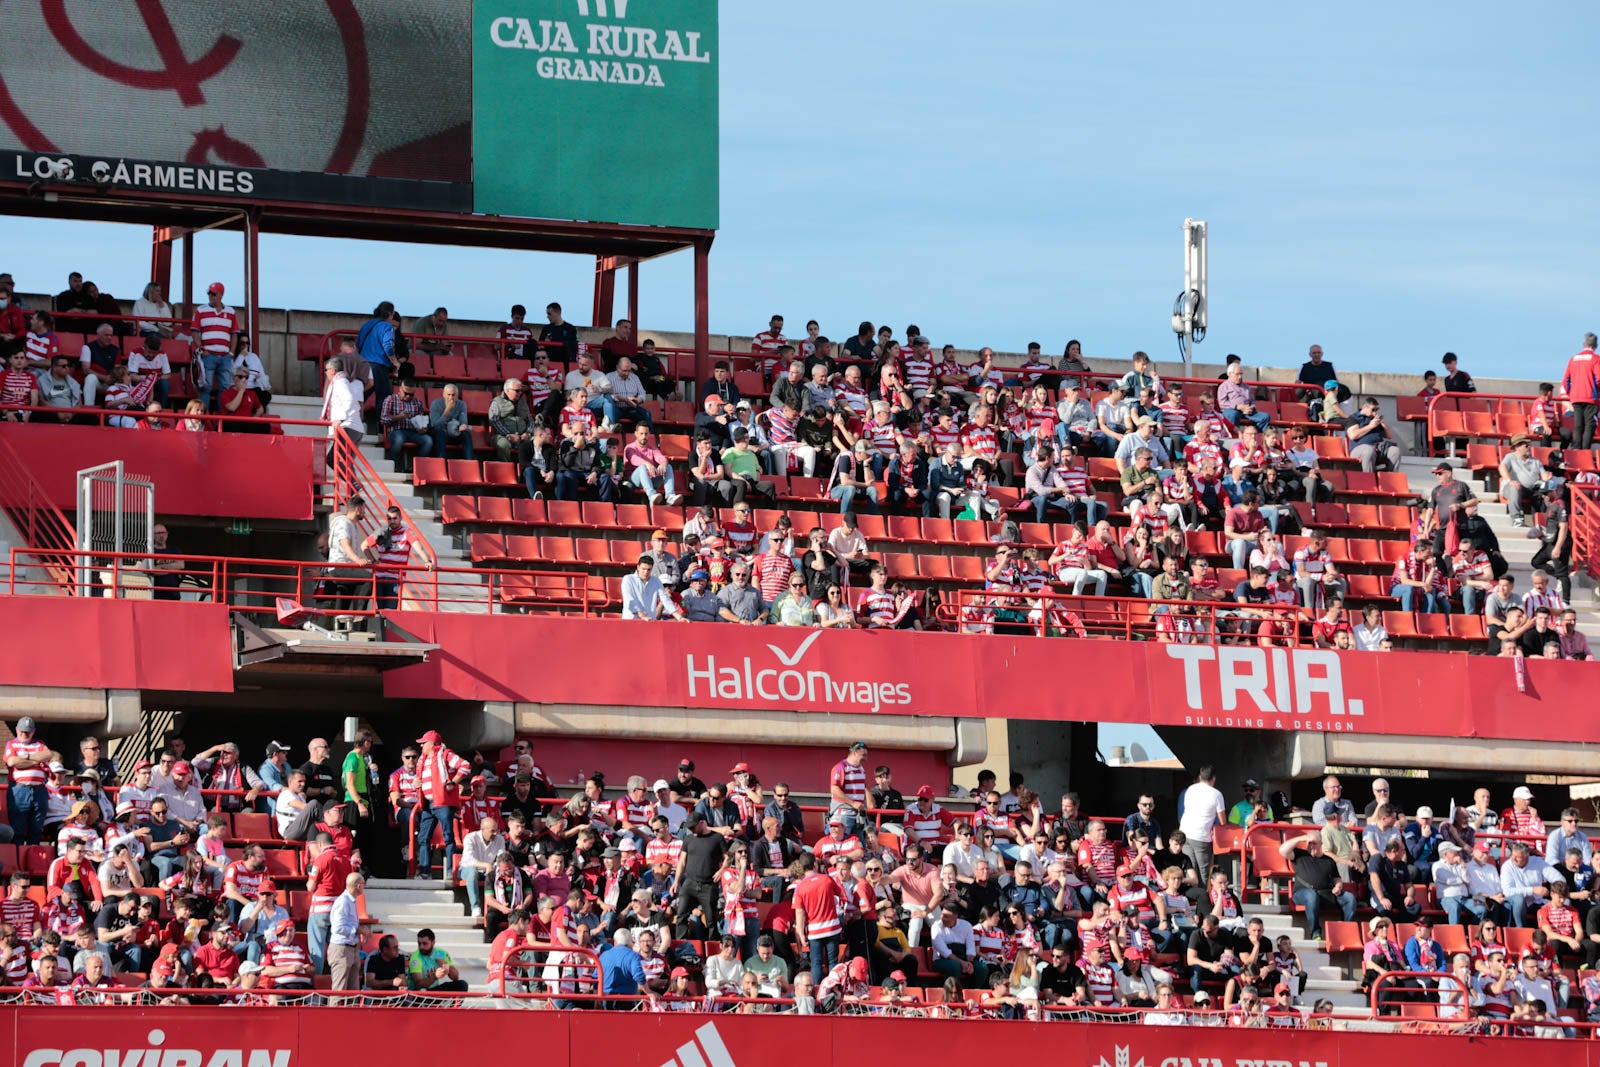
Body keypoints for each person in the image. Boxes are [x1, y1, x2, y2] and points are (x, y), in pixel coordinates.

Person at [1279, 831, 1356, 939]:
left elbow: (1337, 878)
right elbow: (1282, 850)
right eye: (1309, 843)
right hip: (1302, 893)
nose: (1311, 846)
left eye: (1314, 843)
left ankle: (1346, 930)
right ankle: (1315, 933)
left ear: (1321, 843)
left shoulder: (1329, 860)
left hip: (1326, 894)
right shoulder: (1299, 855)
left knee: (1349, 898)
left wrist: (1338, 886)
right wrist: (1301, 837)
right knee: (1311, 896)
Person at [189, 282, 238, 412]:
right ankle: (204, 418)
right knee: (206, 387)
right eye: (209, 293)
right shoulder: (201, 310)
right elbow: (195, 332)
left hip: (225, 356)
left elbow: (234, 334)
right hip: (208, 354)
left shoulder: (231, 312)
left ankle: (223, 418)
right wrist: (202, 349)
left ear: (221, 295)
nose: (210, 296)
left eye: (213, 293)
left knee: (225, 387)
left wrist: (231, 353)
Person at [1178, 766, 1226, 878]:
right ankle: (1205, 895)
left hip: (1184, 834)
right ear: (1213, 779)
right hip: (1202, 838)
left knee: (1190, 872)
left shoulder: (1190, 789)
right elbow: (1223, 821)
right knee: (1205, 875)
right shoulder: (1216, 794)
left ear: (1200, 777)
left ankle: (1190, 896)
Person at [1562, 332, 1599, 451]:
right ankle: (1585, 451)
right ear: (1595, 346)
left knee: (1578, 425)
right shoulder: (1596, 359)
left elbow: (1565, 380)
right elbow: (1599, 379)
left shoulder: (1573, 359)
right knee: (1590, 424)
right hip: (1590, 397)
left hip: (1575, 397)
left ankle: (1577, 449)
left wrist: (1570, 393)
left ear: (1584, 344)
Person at [1344, 396, 1401, 473]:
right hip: (1359, 448)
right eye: (1373, 409)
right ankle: (1369, 479)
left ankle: (1389, 478)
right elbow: (1353, 435)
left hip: (1378, 448)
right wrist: (1370, 426)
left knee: (1395, 451)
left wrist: (1383, 424)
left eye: (1377, 410)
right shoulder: (1354, 418)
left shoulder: (1374, 419)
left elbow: (1389, 436)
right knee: (1368, 450)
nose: (1375, 412)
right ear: (1364, 407)